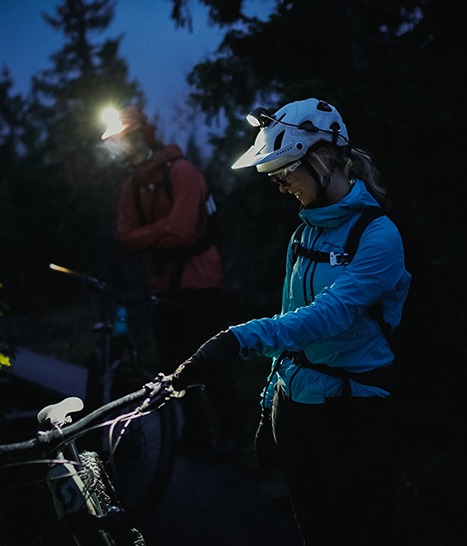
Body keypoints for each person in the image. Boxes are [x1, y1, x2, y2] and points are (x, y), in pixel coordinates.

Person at [173, 98, 411, 545]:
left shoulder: (379, 235)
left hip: (351, 414)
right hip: (294, 405)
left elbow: (331, 315)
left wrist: (240, 337)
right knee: (315, 534)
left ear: (321, 159)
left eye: (285, 172)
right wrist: (268, 402)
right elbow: (291, 319)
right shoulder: (305, 231)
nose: (280, 186)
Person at [109, 105, 244, 455]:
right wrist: (163, 233)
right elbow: (125, 235)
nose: (124, 144)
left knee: (211, 360)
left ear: (142, 134)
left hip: (201, 282)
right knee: (173, 369)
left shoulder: (182, 172)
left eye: (127, 136)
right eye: (119, 138)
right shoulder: (132, 185)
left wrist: (150, 236)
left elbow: (184, 232)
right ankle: (197, 436)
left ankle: (233, 435)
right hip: (163, 286)